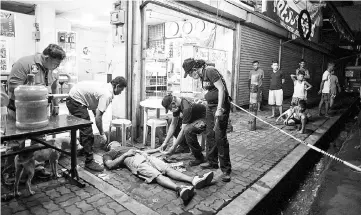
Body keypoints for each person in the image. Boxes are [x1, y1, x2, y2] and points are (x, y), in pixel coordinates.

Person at [7, 44, 66, 178]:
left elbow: (54, 86)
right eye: (55, 63)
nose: (57, 67)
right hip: (19, 112)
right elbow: (13, 87)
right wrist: (37, 91)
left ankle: (37, 167)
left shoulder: (52, 70)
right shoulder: (24, 63)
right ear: (45, 57)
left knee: (39, 141)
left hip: (39, 113)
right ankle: (11, 173)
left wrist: (56, 105)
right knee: (16, 142)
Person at [103, 141, 214, 202]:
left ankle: (194, 180)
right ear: (110, 146)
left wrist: (157, 149)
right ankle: (179, 189)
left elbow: (143, 151)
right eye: (114, 143)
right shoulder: (110, 153)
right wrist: (125, 154)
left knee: (167, 168)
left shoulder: (126, 146)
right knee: (157, 175)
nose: (117, 143)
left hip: (144, 155)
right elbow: (110, 165)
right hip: (133, 160)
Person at [182, 58, 232, 182]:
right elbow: (212, 90)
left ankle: (226, 170)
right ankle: (212, 162)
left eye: (189, 73)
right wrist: (203, 99)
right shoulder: (201, 75)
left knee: (220, 137)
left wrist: (220, 109)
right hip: (210, 106)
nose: (189, 76)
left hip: (220, 106)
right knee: (210, 134)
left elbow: (221, 89)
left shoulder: (210, 71)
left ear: (194, 69)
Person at [66, 76, 127, 172]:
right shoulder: (107, 94)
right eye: (121, 89)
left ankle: (84, 150)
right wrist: (102, 134)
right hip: (75, 101)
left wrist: (96, 116)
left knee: (85, 126)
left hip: (74, 98)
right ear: (117, 86)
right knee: (87, 130)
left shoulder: (105, 87)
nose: (120, 92)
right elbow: (99, 117)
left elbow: (94, 104)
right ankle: (89, 161)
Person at [158, 94, 206, 166]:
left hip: (204, 119)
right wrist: (165, 142)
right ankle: (184, 147)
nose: (170, 110)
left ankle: (199, 157)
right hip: (193, 119)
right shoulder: (176, 104)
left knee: (188, 130)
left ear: (173, 103)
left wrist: (173, 147)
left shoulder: (186, 107)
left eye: (170, 108)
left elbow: (183, 130)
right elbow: (173, 124)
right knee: (171, 120)